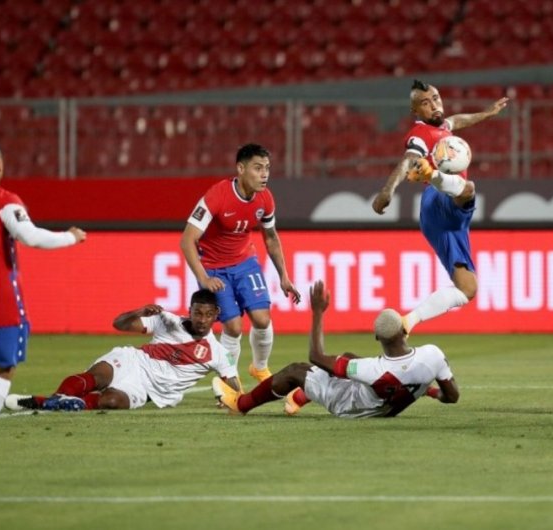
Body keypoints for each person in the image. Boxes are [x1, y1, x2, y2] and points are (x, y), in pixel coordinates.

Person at [0, 133, 86, 453]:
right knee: (6, 369)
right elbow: (33, 237)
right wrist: (70, 237)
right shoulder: (3, 200)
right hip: (1, 302)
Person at [372, 80, 508, 334]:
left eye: (436, 98)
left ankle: (407, 322)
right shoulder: (420, 135)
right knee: (468, 189)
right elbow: (408, 160)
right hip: (438, 200)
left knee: (468, 289)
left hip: (444, 222)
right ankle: (431, 175)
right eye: (425, 103)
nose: (434, 105)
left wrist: (487, 114)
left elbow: (458, 120)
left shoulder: (444, 125)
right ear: (415, 112)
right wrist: (387, 190)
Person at [214, 280, 459, 418]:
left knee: (296, 370)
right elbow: (452, 397)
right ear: (404, 330)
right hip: (388, 406)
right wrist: (430, 392)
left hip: (351, 406)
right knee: (348, 359)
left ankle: (241, 404)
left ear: (377, 337)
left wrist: (318, 312)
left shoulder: (373, 369)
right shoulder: (433, 355)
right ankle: (301, 397)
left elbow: (316, 357)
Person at [180, 143, 301, 388]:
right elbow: (187, 240)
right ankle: (228, 382)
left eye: (267, 168)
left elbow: (271, 237)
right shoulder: (216, 196)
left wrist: (284, 277)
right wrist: (203, 278)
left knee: (262, 319)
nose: (264, 174)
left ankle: (259, 368)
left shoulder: (265, 198)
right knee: (233, 327)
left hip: (245, 263)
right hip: (215, 267)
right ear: (241, 168)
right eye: (258, 168)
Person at [5, 289, 241, 412]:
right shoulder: (166, 319)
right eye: (198, 312)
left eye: (208, 315)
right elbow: (118, 324)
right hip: (133, 360)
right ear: (190, 310)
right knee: (97, 377)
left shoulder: (218, 352)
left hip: (148, 390)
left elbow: (233, 385)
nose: (202, 319)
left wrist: (229, 399)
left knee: (111, 401)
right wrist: (138, 312)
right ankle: (56, 400)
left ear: (216, 316)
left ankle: (47, 403)